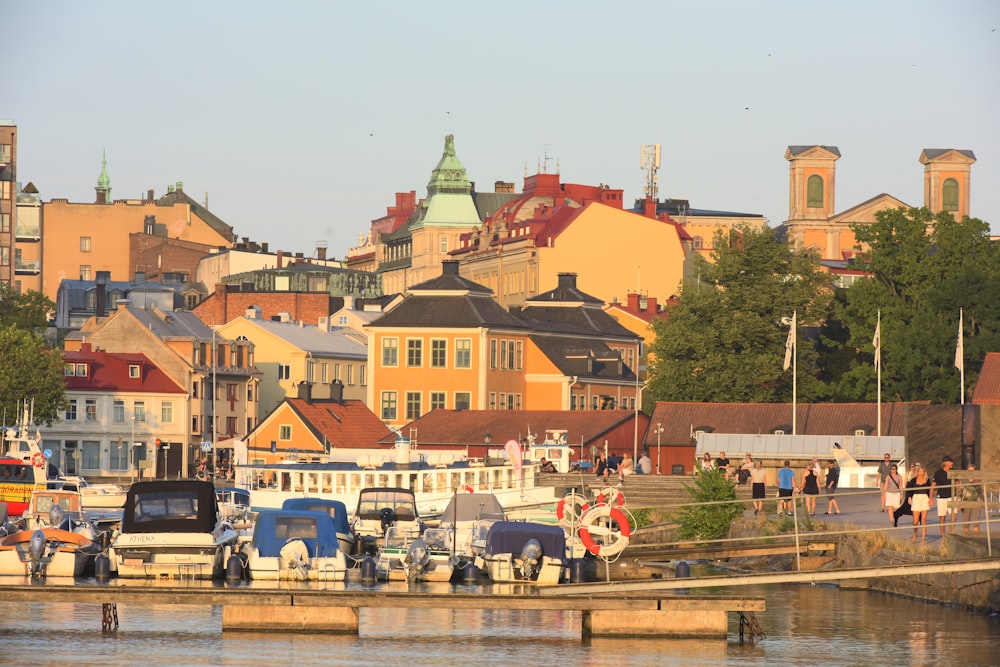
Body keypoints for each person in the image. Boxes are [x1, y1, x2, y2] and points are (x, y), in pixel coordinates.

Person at [931, 455, 956, 537]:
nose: (952, 463)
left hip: (952, 496)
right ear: (945, 463)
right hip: (941, 497)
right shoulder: (938, 473)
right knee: (942, 518)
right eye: (950, 462)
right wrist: (930, 498)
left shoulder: (954, 471)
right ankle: (943, 536)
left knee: (953, 517)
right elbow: (933, 485)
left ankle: (951, 533)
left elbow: (958, 483)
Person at [907, 463, 932, 542]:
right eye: (920, 471)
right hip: (916, 498)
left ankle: (923, 538)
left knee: (924, 520)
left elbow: (930, 490)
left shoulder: (927, 480)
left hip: (924, 498)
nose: (921, 473)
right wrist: (909, 497)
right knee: (915, 520)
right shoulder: (913, 480)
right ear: (917, 472)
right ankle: (915, 535)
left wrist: (930, 499)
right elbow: (909, 490)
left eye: (922, 472)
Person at [957, 464, 983, 533]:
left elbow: (981, 491)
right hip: (965, 502)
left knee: (976, 523)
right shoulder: (963, 480)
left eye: (973, 470)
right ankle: (966, 538)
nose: (971, 472)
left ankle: (976, 538)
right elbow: (959, 491)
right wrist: (959, 504)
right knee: (965, 523)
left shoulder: (978, 479)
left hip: (976, 502)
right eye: (969, 470)